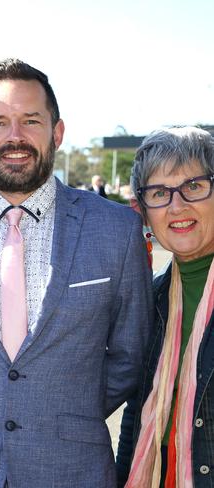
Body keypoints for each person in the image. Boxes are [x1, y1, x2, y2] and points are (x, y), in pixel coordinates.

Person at [0, 58, 153, 487]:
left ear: (56, 132)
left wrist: (66, 409)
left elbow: (131, 351)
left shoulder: (116, 229)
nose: (15, 136)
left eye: (31, 121)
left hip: (73, 466)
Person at [116, 127, 214, 488]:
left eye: (194, 186)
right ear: (143, 211)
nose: (177, 206)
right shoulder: (152, 296)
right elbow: (136, 417)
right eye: (159, 193)